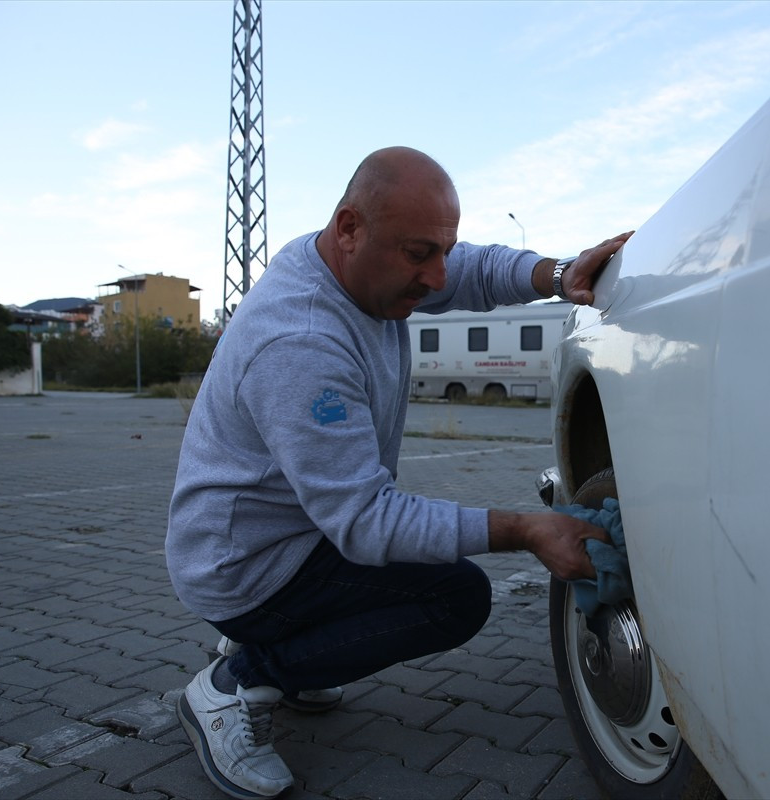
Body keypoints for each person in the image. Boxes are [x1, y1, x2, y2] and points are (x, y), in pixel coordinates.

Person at [166, 145, 632, 799]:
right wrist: (528, 529)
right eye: (420, 255)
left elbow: (467, 268)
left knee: (407, 577)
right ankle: (236, 681)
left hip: (294, 533)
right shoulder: (301, 343)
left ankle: (290, 650)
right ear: (350, 227)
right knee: (454, 597)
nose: (438, 277)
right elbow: (365, 522)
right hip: (247, 568)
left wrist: (558, 275)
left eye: (441, 250)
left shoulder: (346, 263)